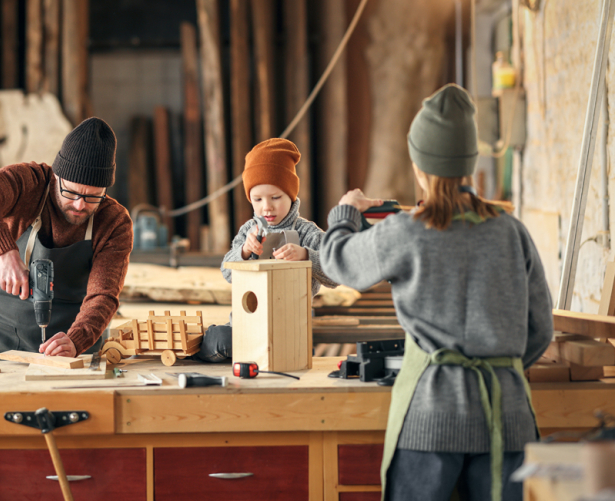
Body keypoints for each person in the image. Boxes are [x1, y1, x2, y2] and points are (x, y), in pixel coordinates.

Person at [319, 84, 553, 501]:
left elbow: (337, 262)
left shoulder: (406, 232)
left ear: (418, 166)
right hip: (507, 417)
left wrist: (346, 212)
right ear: (469, 165)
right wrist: (497, 364)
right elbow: (540, 329)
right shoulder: (511, 231)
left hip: (431, 420)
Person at [0, 117, 133, 361]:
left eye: (93, 196)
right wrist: (5, 252)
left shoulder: (114, 222)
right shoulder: (29, 183)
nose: (80, 205)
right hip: (4, 333)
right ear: (56, 176)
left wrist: (76, 340)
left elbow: (103, 295)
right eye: (71, 192)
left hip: (70, 345)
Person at [198, 138, 339, 362]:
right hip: (246, 323)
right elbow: (227, 272)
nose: (267, 207)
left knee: (285, 354)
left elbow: (336, 274)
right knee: (216, 339)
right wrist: (244, 251)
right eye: (258, 199)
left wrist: (305, 256)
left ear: (291, 196)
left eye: (275, 197)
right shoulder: (249, 230)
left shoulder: (307, 232)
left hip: (290, 327)